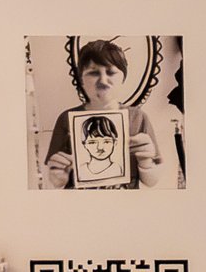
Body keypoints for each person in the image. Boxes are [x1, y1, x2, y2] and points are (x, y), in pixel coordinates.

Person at [42, 38, 176, 189]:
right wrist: (59, 174)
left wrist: (146, 162)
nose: (103, 80)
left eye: (111, 72)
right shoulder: (66, 119)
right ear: (81, 79)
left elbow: (151, 181)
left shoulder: (138, 118)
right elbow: (56, 181)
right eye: (93, 73)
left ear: (123, 77)